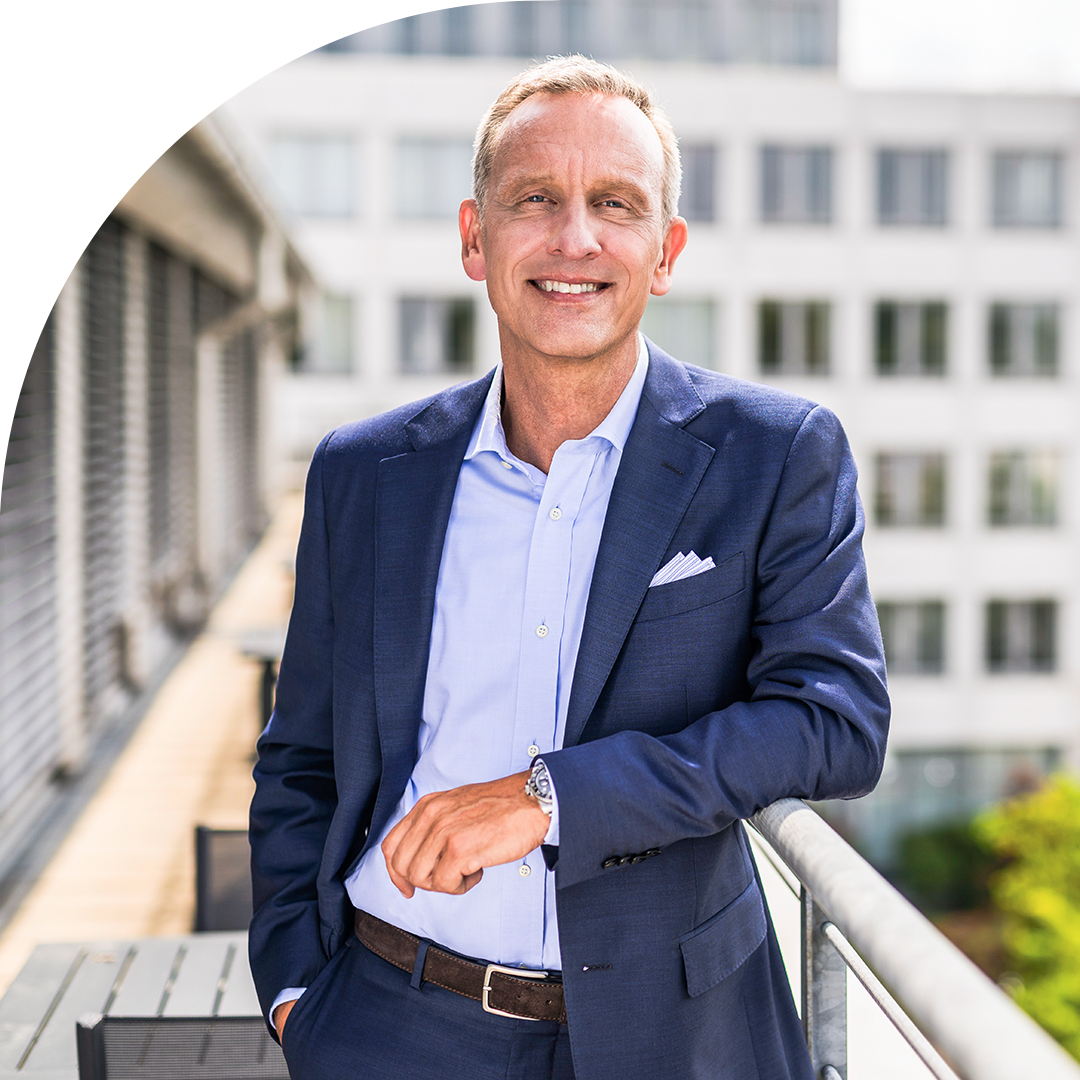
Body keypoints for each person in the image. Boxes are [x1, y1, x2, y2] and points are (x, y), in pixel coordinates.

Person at [249, 55, 890, 1080]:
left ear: (666, 250)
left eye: (616, 204)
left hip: (679, 1037)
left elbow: (838, 722)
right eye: (535, 199)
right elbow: (300, 760)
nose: (575, 239)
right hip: (395, 1022)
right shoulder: (363, 474)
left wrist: (549, 798)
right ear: (475, 237)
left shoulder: (775, 456)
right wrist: (293, 993)